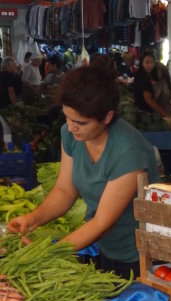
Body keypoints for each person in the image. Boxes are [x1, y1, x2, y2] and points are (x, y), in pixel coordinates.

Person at [7, 58, 159, 279]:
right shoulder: (70, 134)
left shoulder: (129, 151)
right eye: (67, 118)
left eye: (80, 123)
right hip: (106, 250)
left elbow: (102, 223)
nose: (71, 128)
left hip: (142, 257)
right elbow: (64, 191)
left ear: (107, 117)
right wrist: (32, 219)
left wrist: (48, 252)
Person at [133, 51, 171, 119]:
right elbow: (148, 100)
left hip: (150, 113)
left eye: (152, 62)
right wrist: (164, 113)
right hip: (143, 114)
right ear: (142, 63)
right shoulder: (141, 77)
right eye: (147, 62)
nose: (150, 65)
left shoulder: (151, 75)